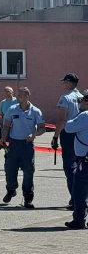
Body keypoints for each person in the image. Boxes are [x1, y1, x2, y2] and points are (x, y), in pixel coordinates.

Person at [0, 86, 45, 208]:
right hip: (14, 144)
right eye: (18, 95)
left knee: (28, 172)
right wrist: (3, 138)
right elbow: (6, 126)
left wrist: (34, 134)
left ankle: (28, 198)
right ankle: (11, 190)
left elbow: (42, 128)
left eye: (20, 95)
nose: (17, 97)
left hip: (27, 145)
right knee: (9, 170)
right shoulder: (12, 109)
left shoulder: (35, 111)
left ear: (26, 96)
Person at [53, 73, 82, 210]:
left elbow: (62, 119)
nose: (63, 84)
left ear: (69, 82)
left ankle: (76, 198)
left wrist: (55, 136)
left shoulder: (65, 98)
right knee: (81, 166)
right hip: (82, 134)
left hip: (69, 133)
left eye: (65, 81)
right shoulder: (82, 97)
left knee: (70, 167)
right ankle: (81, 196)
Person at [63, 89, 88, 229]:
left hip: (84, 160)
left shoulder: (84, 115)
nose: (79, 103)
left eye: (82, 101)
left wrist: (76, 115)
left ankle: (79, 220)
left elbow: (68, 127)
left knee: (79, 191)